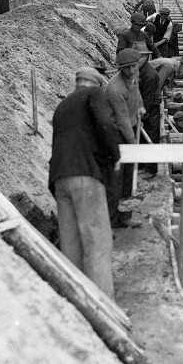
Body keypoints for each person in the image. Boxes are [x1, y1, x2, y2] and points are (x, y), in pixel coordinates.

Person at [49, 66, 120, 298]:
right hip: (85, 176)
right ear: (97, 84)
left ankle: (77, 301)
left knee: (71, 246)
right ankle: (104, 305)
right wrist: (115, 155)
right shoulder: (93, 95)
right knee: (97, 243)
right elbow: (105, 124)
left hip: (60, 180)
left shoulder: (62, 106)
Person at [105, 48, 145, 228]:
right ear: (121, 68)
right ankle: (113, 219)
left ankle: (126, 216)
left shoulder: (133, 77)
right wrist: (133, 143)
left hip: (129, 127)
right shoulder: (115, 88)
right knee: (117, 178)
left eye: (133, 67)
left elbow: (136, 94)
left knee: (129, 177)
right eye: (127, 68)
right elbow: (122, 121)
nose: (130, 71)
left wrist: (140, 108)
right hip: (117, 135)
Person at [132, 42, 161, 179]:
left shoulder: (149, 75)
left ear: (146, 58)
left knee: (151, 137)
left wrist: (142, 116)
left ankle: (151, 170)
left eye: (142, 57)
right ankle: (142, 165)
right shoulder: (139, 70)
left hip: (150, 110)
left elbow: (147, 100)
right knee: (142, 138)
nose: (139, 60)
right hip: (143, 107)